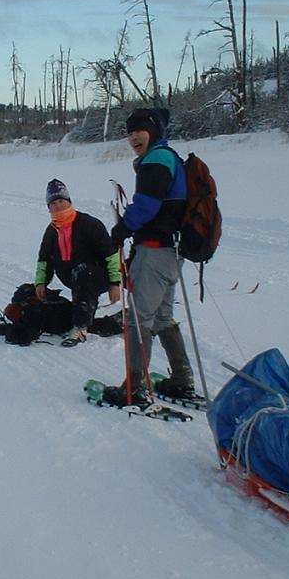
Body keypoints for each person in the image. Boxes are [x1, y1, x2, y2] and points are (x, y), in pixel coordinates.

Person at [107, 108, 197, 407]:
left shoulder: (157, 159)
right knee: (162, 317)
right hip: (172, 252)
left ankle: (134, 387)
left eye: (139, 130)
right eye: (130, 132)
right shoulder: (170, 157)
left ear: (154, 131)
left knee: (138, 318)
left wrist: (122, 228)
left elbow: (147, 205)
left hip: (155, 251)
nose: (133, 137)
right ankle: (182, 379)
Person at [35, 179, 122, 347]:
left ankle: (80, 328)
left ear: (69, 202)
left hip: (96, 276)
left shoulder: (89, 224)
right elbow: (44, 260)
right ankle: (111, 321)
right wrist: (40, 283)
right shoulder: (51, 231)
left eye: (61, 201)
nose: (58, 206)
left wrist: (114, 283)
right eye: (53, 203)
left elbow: (111, 255)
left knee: (83, 272)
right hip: (73, 279)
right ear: (49, 208)